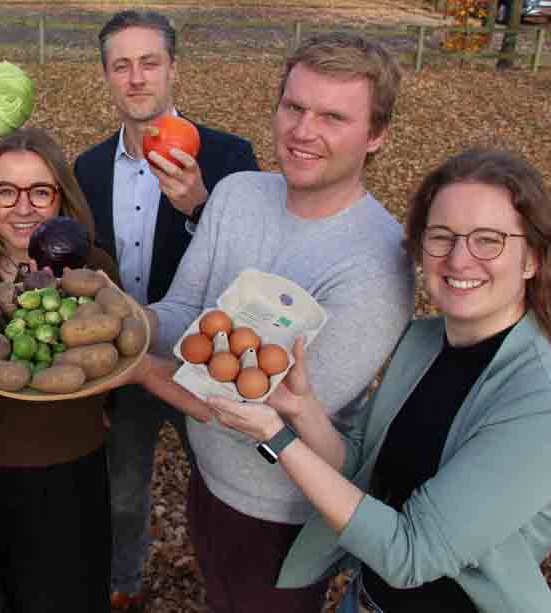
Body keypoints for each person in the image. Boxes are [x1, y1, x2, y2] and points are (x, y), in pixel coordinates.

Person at [211, 148, 551, 612]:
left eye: (488, 240)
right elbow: (362, 467)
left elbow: (410, 554)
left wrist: (276, 437)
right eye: (442, 236)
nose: (459, 259)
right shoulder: (423, 342)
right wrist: (301, 409)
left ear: (531, 259)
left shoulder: (538, 395)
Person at [144, 32, 415, 612]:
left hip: (279, 516)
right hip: (207, 478)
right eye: (294, 107)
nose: (303, 131)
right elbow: (184, 312)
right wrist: (122, 319)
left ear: (377, 135)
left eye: (333, 117)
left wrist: (133, 368)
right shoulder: (238, 195)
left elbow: (263, 410)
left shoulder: (379, 265)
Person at [72, 9, 259, 608]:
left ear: (174, 68)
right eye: (121, 66)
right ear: (106, 76)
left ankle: (228, 589)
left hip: (204, 362)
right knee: (124, 487)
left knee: (223, 484)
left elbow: (254, 267)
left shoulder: (228, 158)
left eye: (149, 63)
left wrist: (201, 206)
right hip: (124, 361)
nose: (136, 78)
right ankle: (123, 584)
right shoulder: (88, 168)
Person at [0, 127, 118, 612]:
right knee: (17, 592)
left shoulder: (93, 269)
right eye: (5, 191)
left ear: (61, 197)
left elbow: (116, 365)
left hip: (72, 470)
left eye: (40, 191)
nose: (23, 208)